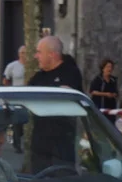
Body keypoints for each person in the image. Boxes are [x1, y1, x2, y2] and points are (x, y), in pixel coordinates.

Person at [28, 36, 85, 172]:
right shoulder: (38, 78)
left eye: (39, 52)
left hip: (62, 143)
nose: (36, 56)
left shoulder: (70, 73)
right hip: (40, 144)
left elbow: (68, 96)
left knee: (62, 179)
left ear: (51, 54)